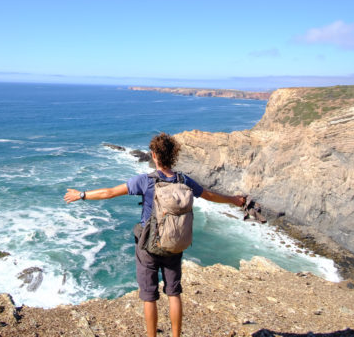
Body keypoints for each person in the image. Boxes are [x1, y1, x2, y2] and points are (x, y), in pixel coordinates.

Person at [64, 132, 245, 337]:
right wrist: (234, 200)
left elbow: (109, 192)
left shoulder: (145, 181)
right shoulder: (184, 180)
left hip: (148, 246)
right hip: (175, 244)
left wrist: (81, 195)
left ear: (154, 155)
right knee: (174, 293)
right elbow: (209, 195)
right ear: (173, 156)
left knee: (150, 296)